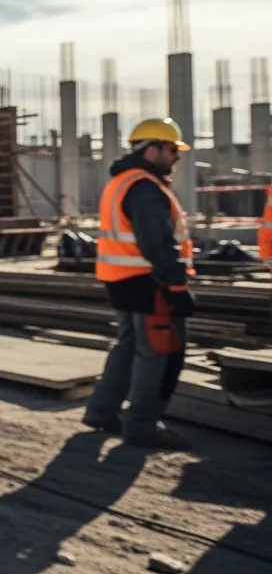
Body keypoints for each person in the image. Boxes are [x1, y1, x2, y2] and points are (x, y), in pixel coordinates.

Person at [83, 117, 196, 450]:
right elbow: (157, 242)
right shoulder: (144, 187)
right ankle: (143, 425)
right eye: (172, 149)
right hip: (151, 284)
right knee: (157, 353)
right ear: (152, 150)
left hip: (123, 281)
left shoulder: (123, 181)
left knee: (129, 347)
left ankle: (102, 411)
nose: (176, 156)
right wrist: (177, 286)